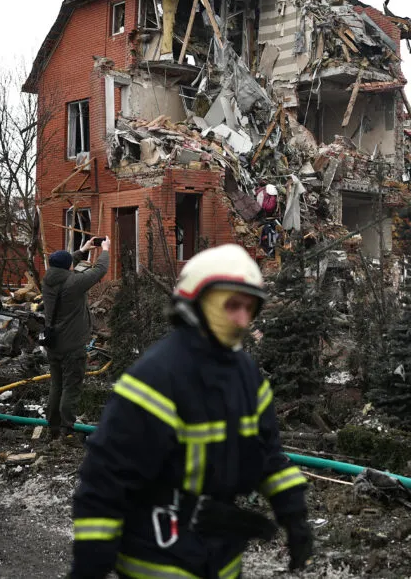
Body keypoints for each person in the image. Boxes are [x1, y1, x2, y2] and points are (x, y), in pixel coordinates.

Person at [69, 244, 312, 579]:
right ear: (198, 302)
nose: (243, 319)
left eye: (250, 308)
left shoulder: (246, 375)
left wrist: (294, 515)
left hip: (222, 559)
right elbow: (105, 479)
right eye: (232, 305)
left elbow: (268, 456)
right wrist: (91, 563)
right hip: (158, 561)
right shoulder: (157, 377)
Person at [42, 236, 110, 441]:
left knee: (56, 385)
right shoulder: (74, 283)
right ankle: (67, 430)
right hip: (72, 345)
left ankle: (53, 427)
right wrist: (105, 250)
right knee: (71, 387)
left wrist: (83, 250)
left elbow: (64, 263)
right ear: (68, 267)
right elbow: (100, 270)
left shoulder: (48, 279)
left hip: (53, 343)